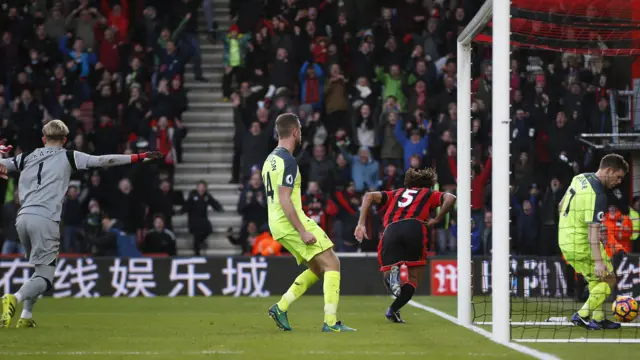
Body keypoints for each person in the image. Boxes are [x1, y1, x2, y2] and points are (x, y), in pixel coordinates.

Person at [0, 120, 162, 328]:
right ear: (65, 140)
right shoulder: (69, 156)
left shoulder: (27, 157)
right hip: (46, 218)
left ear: (43, 139)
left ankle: (26, 316)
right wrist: (138, 157)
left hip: (22, 218)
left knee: (40, 269)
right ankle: (13, 298)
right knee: (45, 276)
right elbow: (105, 160)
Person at [263, 113, 355, 332]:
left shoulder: (270, 160)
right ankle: (331, 323)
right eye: (301, 130)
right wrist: (302, 230)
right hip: (289, 221)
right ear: (295, 132)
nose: (301, 134)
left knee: (317, 267)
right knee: (332, 263)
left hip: (276, 223)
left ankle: (281, 307)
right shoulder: (287, 161)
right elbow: (285, 199)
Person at [354, 168, 456, 323]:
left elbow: (368, 195)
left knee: (387, 275)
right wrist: (437, 218)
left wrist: (361, 224)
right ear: (428, 185)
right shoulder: (428, 193)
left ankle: (393, 286)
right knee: (414, 277)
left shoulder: (396, 193)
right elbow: (450, 197)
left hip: (391, 229)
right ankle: (393, 309)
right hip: (414, 227)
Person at [559, 153, 628, 330]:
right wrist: (598, 261)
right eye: (618, 177)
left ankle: (598, 318)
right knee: (609, 279)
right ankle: (582, 315)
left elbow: (561, 205)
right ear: (609, 170)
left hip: (565, 240)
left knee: (594, 280)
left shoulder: (579, 178)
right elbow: (593, 231)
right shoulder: (598, 195)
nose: (619, 181)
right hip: (582, 244)